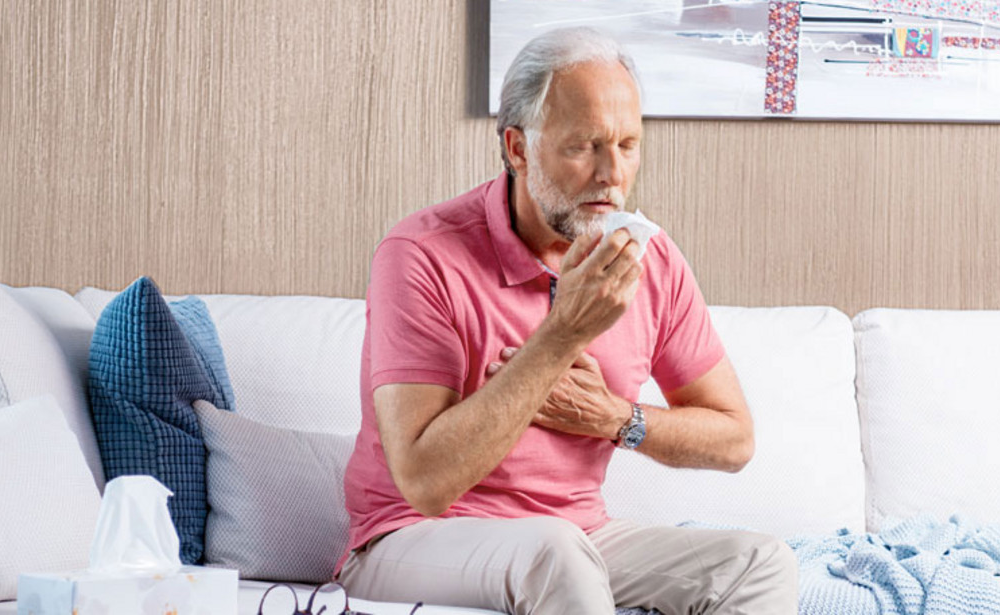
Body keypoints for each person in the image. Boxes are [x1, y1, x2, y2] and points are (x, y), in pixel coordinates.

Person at [338, 27, 799, 614]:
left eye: (627, 145)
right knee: (554, 551)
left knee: (759, 564)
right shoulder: (421, 254)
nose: (612, 175)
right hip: (409, 539)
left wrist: (615, 418)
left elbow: (734, 439)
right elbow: (425, 482)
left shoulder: (648, 259)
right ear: (517, 148)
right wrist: (563, 334)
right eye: (584, 146)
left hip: (575, 538)